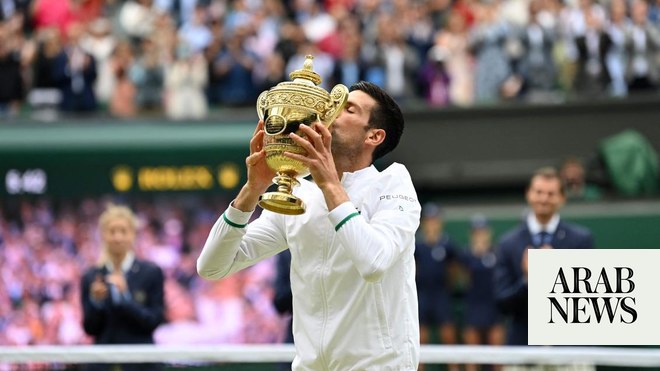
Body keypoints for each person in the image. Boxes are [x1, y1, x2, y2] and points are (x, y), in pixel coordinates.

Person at [197, 81, 421, 370]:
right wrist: (252, 190)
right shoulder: (301, 193)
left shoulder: (394, 183)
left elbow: (374, 262)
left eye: (348, 109)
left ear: (374, 136)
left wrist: (330, 184)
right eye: (334, 104)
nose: (331, 111)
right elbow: (212, 267)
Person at [494, 167, 594, 346]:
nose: (544, 199)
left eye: (551, 193)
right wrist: (528, 280)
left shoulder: (581, 240)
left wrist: (558, 274)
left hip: (569, 351)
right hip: (523, 350)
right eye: (539, 192)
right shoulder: (507, 243)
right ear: (529, 194)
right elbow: (502, 303)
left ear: (562, 198)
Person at [80, 204, 166, 371]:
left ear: (133, 234)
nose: (117, 237)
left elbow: (154, 321)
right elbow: (89, 328)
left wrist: (126, 299)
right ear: (103, 235)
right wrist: (96, 303)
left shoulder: (151, 272)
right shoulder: (91, 276)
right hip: (103, 364)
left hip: (141, 364)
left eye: (123, 231)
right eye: (112, 231)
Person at [414, 202, 460, 371]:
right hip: (422, 295)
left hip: (441, 295)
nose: (432, 223)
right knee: (420, 339)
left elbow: (455, 269)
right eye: (429, 219)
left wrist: (448, 284)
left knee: (448, 336)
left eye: (435, 219)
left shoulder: (447, 245)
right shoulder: (417, 245)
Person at [458, 214, 504, 371]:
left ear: (488, 232)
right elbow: (460, 278)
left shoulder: (497, 253)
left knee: (497, 356)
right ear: (471, 234)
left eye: (483, 231)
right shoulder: (465, 255)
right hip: (473, 307)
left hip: (493, 308)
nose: (480, 235)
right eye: (476, 232)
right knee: (472, 356)